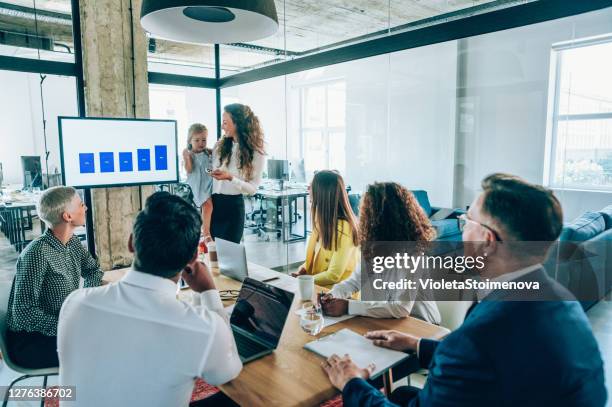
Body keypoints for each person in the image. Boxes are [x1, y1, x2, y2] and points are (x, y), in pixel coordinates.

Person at [322, 173, 607, 407]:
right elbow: (495, 360)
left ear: (486, 239)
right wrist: (417, 344)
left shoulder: (481, 336)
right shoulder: (562, 301)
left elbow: (476, 352)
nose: (462, 229)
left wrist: (352, 383)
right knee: (402, 395)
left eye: (466, 221)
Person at [58, 192, 242, 407]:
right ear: (192, 259)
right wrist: (208, 292)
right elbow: (228, 372)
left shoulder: (75, 303)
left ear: (131, 243)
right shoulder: (203, 328)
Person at [6, 186, 102, 368]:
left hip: (61, 329)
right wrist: (69, 326)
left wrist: (86, 298)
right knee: (103, 349)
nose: (86, 208)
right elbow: (23, 314)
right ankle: (80, 395)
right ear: (68, 216)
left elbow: (93, 270)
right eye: (81, 205)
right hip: (32, 341)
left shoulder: (72, 242)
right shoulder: (37, 253)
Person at [319, 182, 440, 324]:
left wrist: (348, 306)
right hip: (388, 319)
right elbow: (353, 283)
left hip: (422, 323)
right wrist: (332, 295)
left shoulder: (415, 254)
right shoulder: (373, 248)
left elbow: (401, 308)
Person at [292, 170, 359, 289]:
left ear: (321, 193)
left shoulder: (345, 229)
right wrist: (304, 269)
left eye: (311, 187)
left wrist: (304, 280)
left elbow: (333, 275)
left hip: (338, 296)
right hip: (319, 288)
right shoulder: (322, 221)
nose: (308, 190)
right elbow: (316, 257)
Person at [210, 103, 265, 243]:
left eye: (225, 123)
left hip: (233, 209)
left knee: (229, 258)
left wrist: (230, 178)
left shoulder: (256, 152)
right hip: (214, 206)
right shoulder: (219, 145)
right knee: (212, 254)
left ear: (238, 123)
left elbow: (252, 189)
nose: (222, 127)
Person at [183, 123, 214, 244]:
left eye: (204, 140)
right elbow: (189, 170)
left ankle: (206, 232)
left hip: (207, 184)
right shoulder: (189, 154)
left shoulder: (208, 153)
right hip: (195, 185)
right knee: (203, 207)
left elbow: (212, 166)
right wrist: (187, 157)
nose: (201, 143)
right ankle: (202, 233)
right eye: (197, 140)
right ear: (190, 141)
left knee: (208, 206)